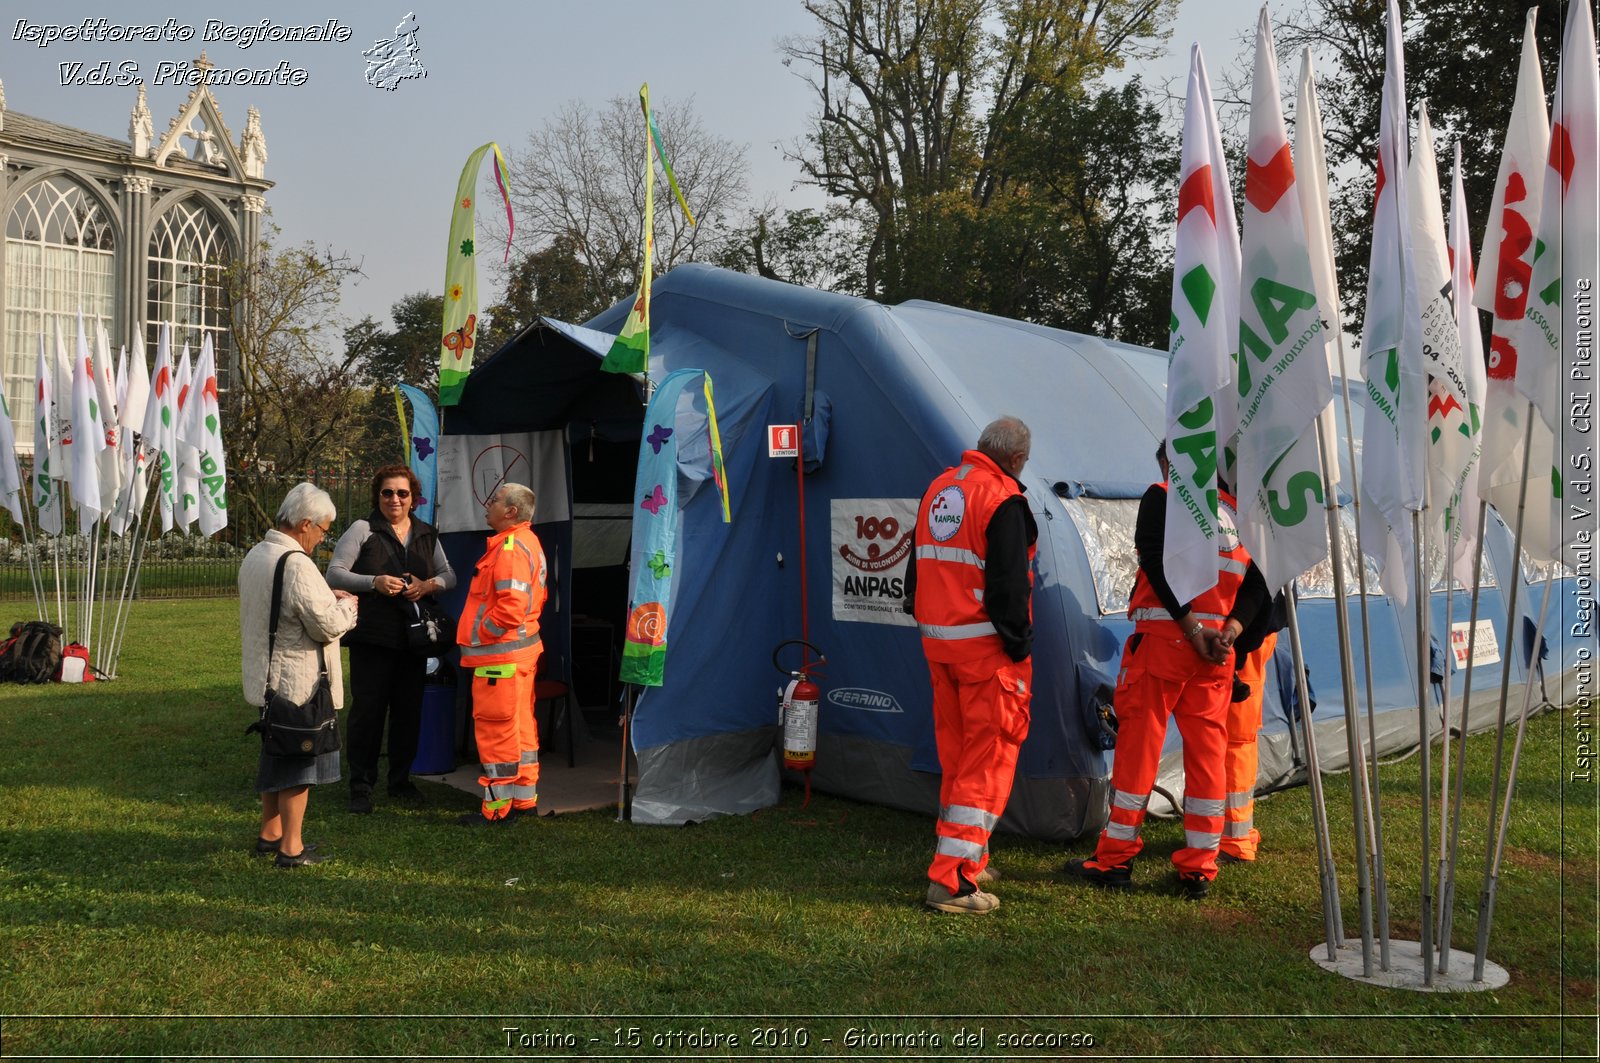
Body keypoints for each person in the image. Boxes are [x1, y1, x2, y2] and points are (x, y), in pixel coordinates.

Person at [1064, 441, 1267, 899]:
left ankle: (1114, 859)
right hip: (1216, 655)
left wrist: (1192, 628)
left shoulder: (1163, 496)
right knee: (1208, 756)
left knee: (1138, 751)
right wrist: (1230, 630)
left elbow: (1154, 563)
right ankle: (1198, 866)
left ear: (1167, 463)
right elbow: (1258, 582)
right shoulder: (1236, 515)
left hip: (1165, 645)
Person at [903, 417, 1037, 914]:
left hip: (941, 650)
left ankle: (966, 858)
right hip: (988, 656)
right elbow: (1009, 587)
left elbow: (916, 568)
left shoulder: (939, 488)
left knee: (959, 763)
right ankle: (952, 880)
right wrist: (1019, 647)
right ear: (1018, 459)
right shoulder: (1003, 499)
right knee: (986, 766)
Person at [239, 483, 359, 868]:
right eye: (323, 530)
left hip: (267, 676)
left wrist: (326, 597)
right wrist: (349, 607)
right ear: (305, 523)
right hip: (298, 681)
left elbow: (287, 605)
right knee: (298, 763)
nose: (323, 538)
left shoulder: (258, 554)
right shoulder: (297, 564)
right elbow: (325, 625)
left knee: (275, 754)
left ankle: (269, 833)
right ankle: (291, 847)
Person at [327, 465, 456, 814]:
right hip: (373, 638)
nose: (395, 499)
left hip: (414, 642)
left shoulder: (427, 533)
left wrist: (428, 585)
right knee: (368, 713)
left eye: (402, 493)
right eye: (387, 492)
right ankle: (361, 785)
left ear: (413, 498)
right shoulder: (363, 529)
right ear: (377, 496)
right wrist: (374, 582)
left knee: (407, 713)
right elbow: (334, 573)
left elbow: (449, 575)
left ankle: (400, 781)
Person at [455, 482, 548, 826]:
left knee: (497, 732)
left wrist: (483, 635)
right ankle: (524, 802)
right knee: (521, 729)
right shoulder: (527, 542)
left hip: (500, 659)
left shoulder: (510, 547)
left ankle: (497, 811)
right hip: (518, 657)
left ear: (511, 511)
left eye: (495, 500)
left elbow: (510, 608)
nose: (488, 503)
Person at [1220, 592, 1285, 863]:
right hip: (1250, 630)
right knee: (1237, 739)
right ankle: (1231, 831)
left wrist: (1239, 646)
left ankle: (1236, 840)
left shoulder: (1252, 550)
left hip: (1244, 635)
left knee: (1235, 740)